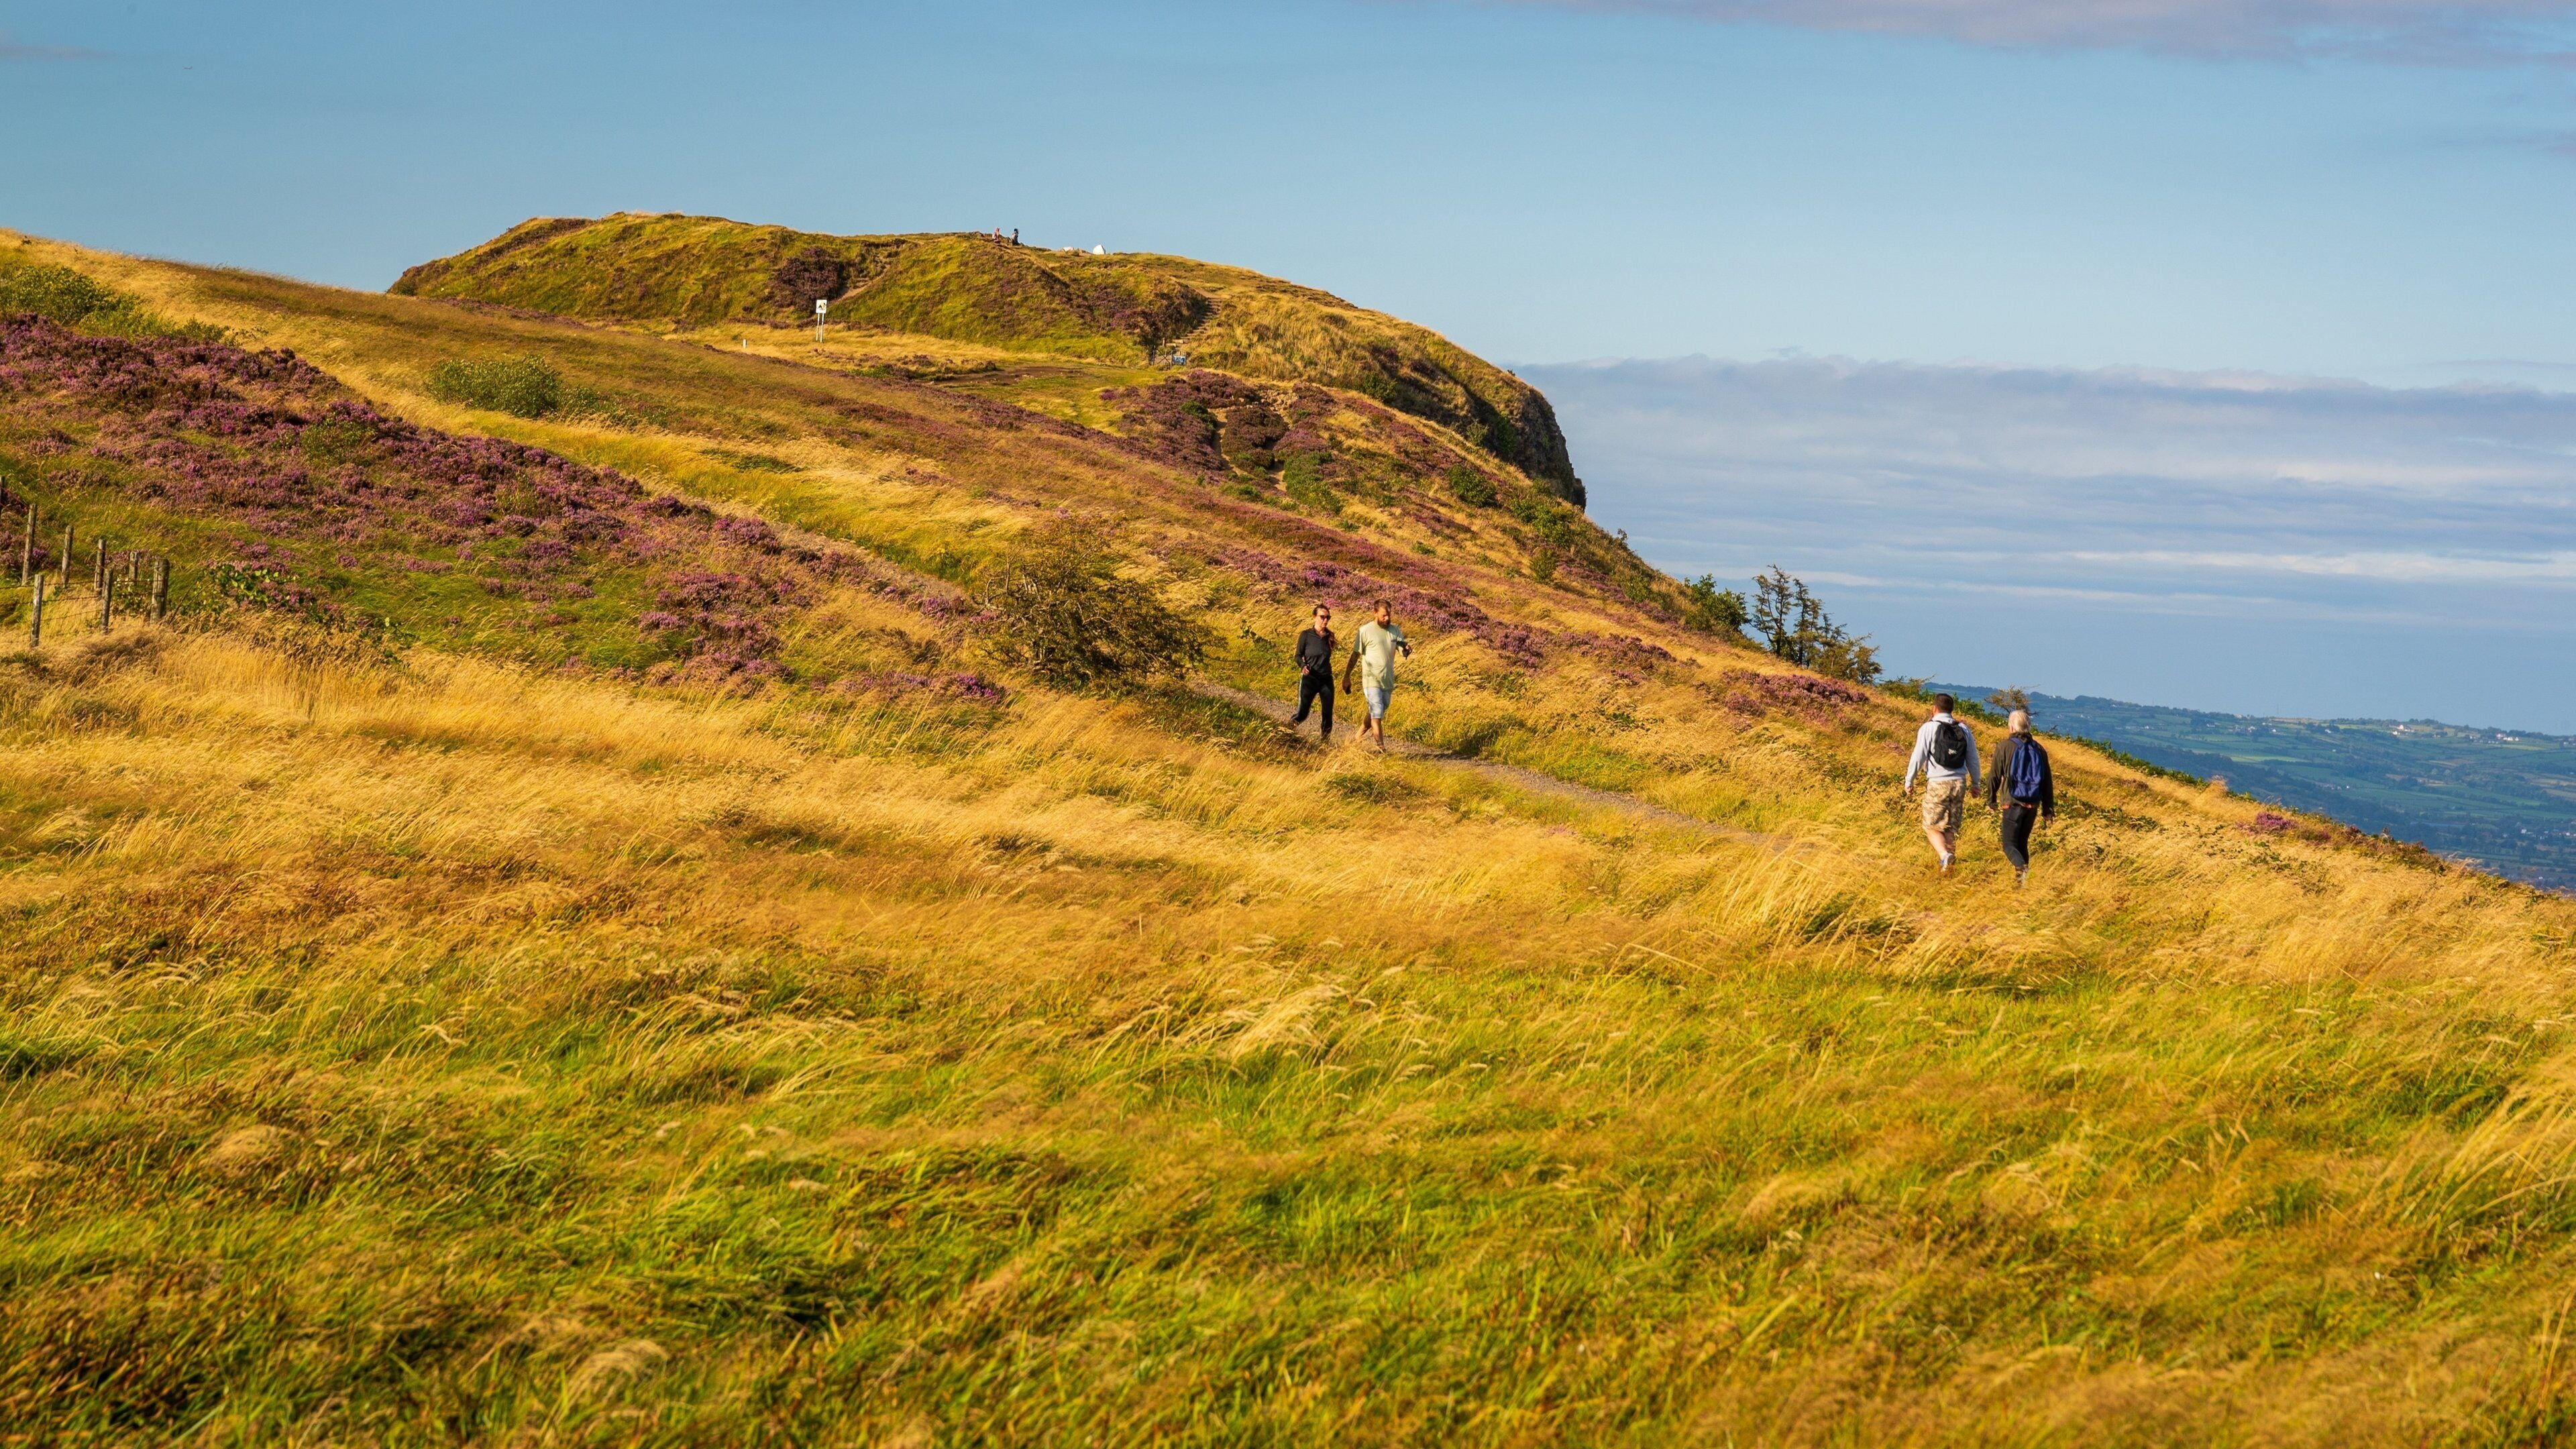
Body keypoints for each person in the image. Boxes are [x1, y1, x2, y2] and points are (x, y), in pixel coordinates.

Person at [1901, 692, 1981, 873]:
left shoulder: (1928, 728)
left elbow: (1918, 757)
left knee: (1931, 825)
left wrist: (1909, 780)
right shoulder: (1964, 729)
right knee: (1950, 826)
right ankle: (1948, 869)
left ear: (1934, 708)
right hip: (1959, 783)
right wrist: (1976, 783)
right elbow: (1973, 759)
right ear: (1952, 710)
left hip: (1938, 783)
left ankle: (1944, 855)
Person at [1982, 708, 2055, 885]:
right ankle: (2020, 885)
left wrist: (1990, 800)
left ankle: (2021, 868)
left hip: (2012, 803)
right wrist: (2048, 809)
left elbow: (1994, 776)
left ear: (2012, 727)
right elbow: (2047, 781)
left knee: (2009, 845)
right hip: (2033, 805)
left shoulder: (2004, 747)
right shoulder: (2039, 749)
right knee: (2022, 843)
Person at [1343, 600, 1411, 752]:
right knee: (1377, 713)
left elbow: (1400, 648)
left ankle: (1358, 736)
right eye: (1384, 616)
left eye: (1389, 615)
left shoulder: (1395, 630)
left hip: (1387, 680)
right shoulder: (1365, 631)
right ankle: (1381, 748)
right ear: (1375, 613)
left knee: (1377, 710)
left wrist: (1406, 650)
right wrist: (1347, 676)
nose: (1387, 619)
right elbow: (1355, 655)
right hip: (1371, 679)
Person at [1288, 603, 1338, 743]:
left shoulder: (1330, 636)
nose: (1326, 620)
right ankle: (1285, 730)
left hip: (1326, 680)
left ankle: (1325, 743)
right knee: (1303, 713)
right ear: (1314, 617)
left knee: (1327, 713)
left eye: (1328, 617)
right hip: (1310, 678)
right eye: (1322, 617)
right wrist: (1303, 666)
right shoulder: (1306, 635)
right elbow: (1298, 656)